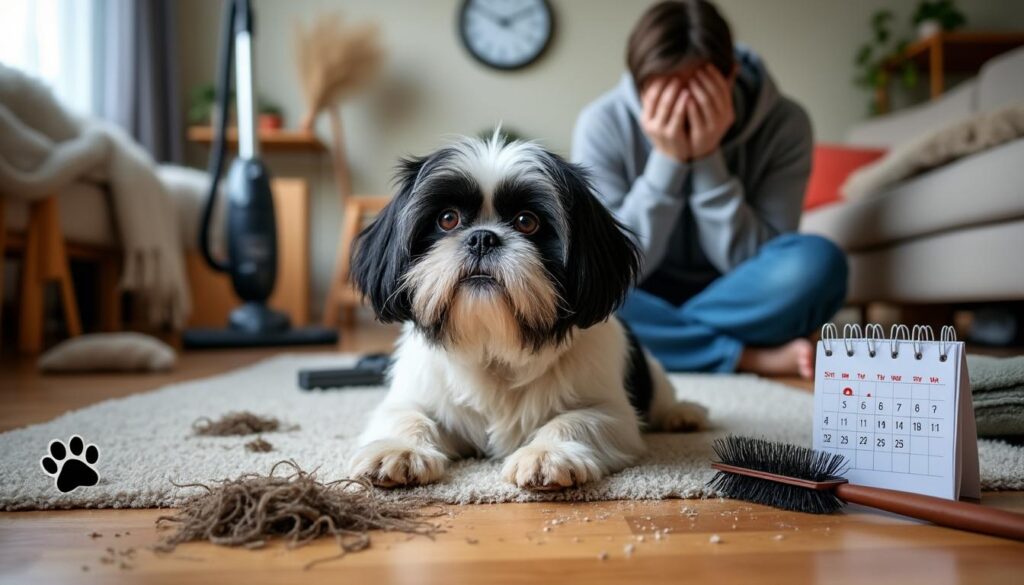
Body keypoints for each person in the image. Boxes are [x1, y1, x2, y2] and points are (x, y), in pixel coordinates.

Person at [572, 0, 847, 379]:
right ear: (639, 84)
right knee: (575, 287)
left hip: (743, 297)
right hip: (641, 294)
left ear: (730, 75)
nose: (683, 107)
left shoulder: (786, 124)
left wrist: (707, 160)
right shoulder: (602, 124)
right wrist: (667, 164)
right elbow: (616, 265)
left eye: (697, 89)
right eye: (666, 92)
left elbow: (759, 260)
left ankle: (669, 344)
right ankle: (744, 357)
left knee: (819, 263)